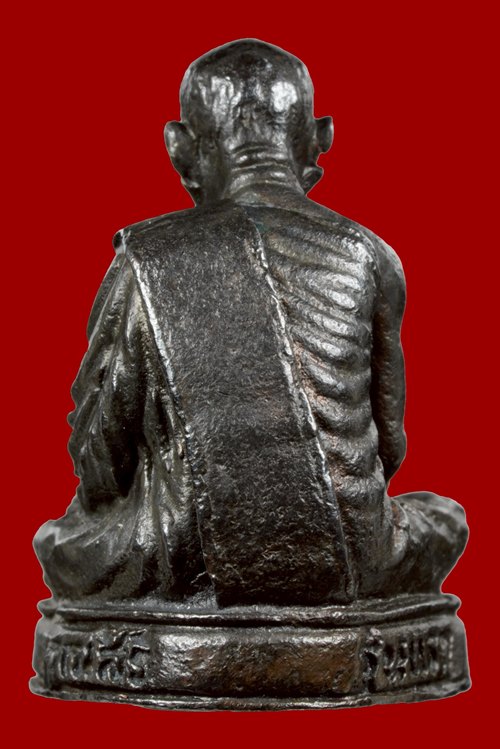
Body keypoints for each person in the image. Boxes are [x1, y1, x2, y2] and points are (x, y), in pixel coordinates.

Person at [34, 39, 467, 607]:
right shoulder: (369, 255)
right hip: (352, 553)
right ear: (321, 137)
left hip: (180, 553)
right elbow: (388, 446)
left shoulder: (147, 257)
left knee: (61, 542)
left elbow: (100, 456)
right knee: (444, 515)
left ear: (179, 147)